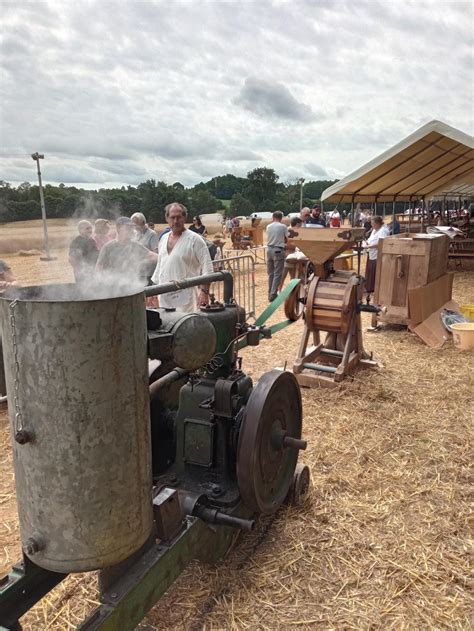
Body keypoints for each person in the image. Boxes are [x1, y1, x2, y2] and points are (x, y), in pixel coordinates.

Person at [151, 203, 213, 312]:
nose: (175, 221)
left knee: (186, 327)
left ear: (185, 217)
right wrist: (154, 290)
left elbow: (207, 266)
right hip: (164, 298)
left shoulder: (195, 240)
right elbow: (160, 266)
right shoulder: (163, 239)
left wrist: (204, 292)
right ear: (167, 218)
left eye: (179, 217)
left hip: (186, 300)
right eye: (172, 217)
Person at [96, 216, 157, 287]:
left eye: (132, 227)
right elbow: (99, 268)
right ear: (119, 228)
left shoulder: (135, 245)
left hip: (131, 285)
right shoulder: (108, 247)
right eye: (128, 228)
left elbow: (153, 256)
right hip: (112, 287)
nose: (132, 230)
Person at [362, 216, 389, 294]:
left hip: (378, 255)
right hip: (371, 253)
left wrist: (369, 246)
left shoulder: (383, 231)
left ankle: (374, 288)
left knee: (375, 272)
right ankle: (369, 287)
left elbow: (381, 243)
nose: (371, 225)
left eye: (373, 223)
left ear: (377, 223)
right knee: (370, 271)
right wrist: (366, 242)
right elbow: (370, 239)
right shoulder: (374, 230)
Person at [266, 211, 289, 302]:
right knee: (277, 273)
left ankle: (270, 292)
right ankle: (273, 294)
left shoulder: (268, 226)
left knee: (270, 273)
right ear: (281, 218)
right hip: (278, 250)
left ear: (273, 217)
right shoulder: (283, 226)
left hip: (269, 249)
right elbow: (288, 237)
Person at [68, 220, 99, 285]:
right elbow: (71, 259)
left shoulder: (92, 240)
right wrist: (78, 270)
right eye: (87, 228)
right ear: (80, 230)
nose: (90, 230)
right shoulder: (76, 242)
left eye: (91, 228)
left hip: (92, 271)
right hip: (82, 273)